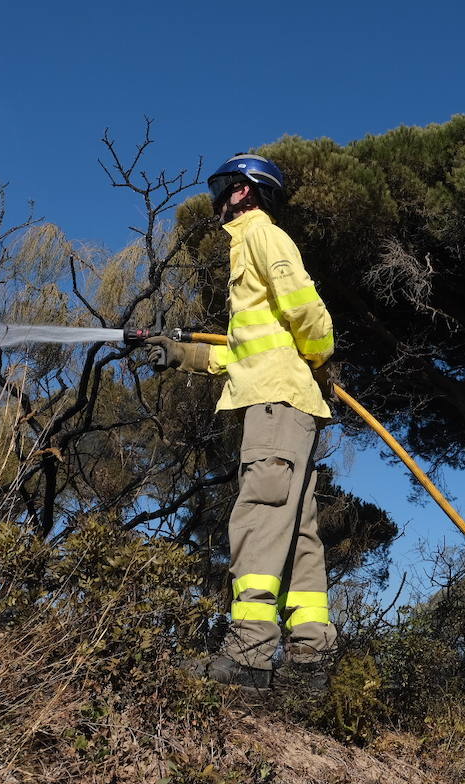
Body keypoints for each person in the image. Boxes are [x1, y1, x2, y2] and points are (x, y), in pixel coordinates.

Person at [147, 153, 335, 694]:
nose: (224, 196)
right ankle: (309, 664)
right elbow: (241, 352)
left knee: (258, 515)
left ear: (249, 192)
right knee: (297, 531)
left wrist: (320, 356)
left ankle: (249, 654)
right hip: (285, 402)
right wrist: (179, 355)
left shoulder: (261, 237)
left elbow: (307, 311)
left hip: (277, 403)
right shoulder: (245, 249)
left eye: (231, 186)